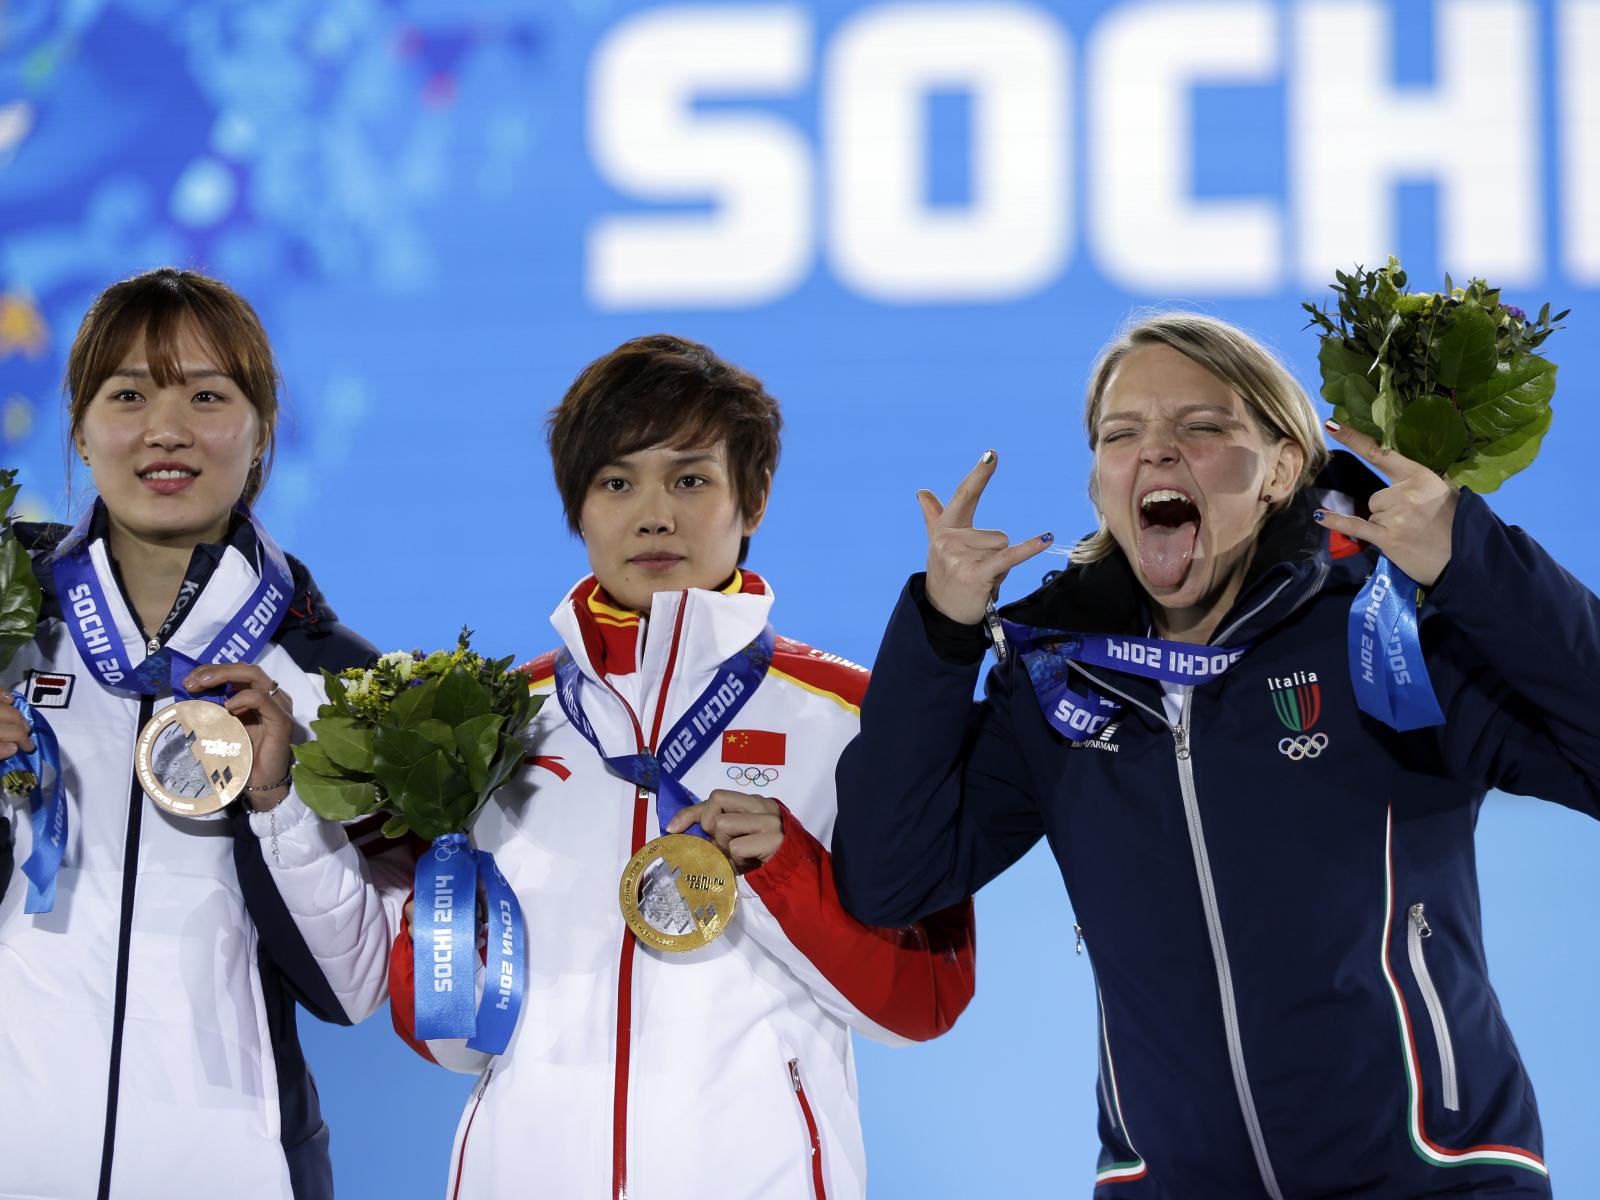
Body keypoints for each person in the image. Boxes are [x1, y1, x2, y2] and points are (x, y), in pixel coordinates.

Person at [830, 311, 1600, 1199]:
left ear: (1281, 470)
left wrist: (1475, 561)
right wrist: (939, 634)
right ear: (1100, 483)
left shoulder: (1380, 638)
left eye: (1201, 426)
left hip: (1435, 1179)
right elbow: (891, 880)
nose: (1155, 451)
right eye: (1121, 434)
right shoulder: (1058, 680)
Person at [388, 334, 977, 1200]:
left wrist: (786, 872)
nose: (654, 515)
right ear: (577, 505)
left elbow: (924, 1001)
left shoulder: (856, 717)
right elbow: (447, 1041)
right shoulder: (491, 722)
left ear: (755, 497)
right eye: (616, 482)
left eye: (691, 480)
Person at [0, 268, 409, 1200]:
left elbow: (349, 990)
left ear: (262, 430)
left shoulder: (338, 680)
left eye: (207, 396)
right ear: (79, 428)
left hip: (230, 1169)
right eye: (128, 395)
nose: (166, 430)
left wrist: (277, 801)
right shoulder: (8, 630)